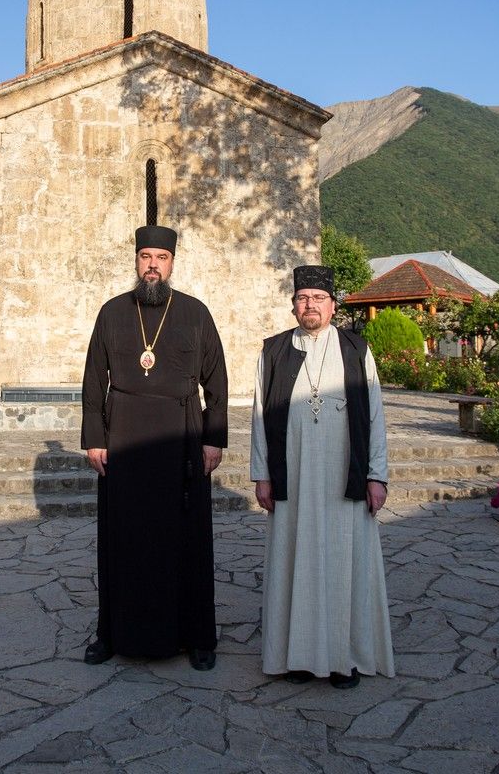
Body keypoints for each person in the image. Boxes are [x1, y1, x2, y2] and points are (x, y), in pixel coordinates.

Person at [81, 225, 228, 670]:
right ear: (136, 260)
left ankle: (198, 636)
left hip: (181, 439)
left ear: (171, 263)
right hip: (123, 437)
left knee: (187, 539)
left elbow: (217, 381)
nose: (152, 265)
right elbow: (93, 379)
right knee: (122, 539)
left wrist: (213, 438)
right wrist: (94, 439)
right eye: (145, 256)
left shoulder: (195, 313)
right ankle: (112, 633)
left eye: (160, 257)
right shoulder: (111, 313)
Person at [250, 264, 395, 689]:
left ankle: (343, 659)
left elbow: (375, 416)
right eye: (302, 299)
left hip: (342, 476)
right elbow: (260, 415)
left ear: (333, 305)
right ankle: (296, 657)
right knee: (293, 561)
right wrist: (262, 474)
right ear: (294, 305)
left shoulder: (356, 349)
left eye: (317, 298)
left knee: (343, 562)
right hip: (292, 474)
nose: (309, 305)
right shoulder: (274, 351)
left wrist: (376, 475)